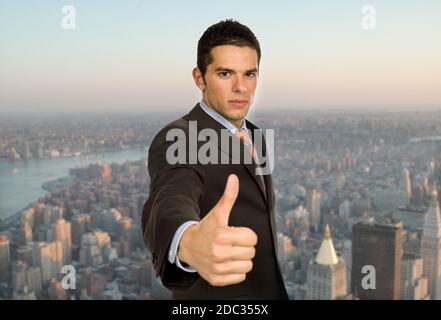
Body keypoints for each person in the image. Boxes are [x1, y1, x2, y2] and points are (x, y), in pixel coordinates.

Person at [142, 19, 288, 299]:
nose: (241, 87)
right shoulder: (181, 137)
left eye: (249, 74)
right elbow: (170, 196)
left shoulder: (255, 135)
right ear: (200, 79)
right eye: (225, 74)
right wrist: (186, 240)